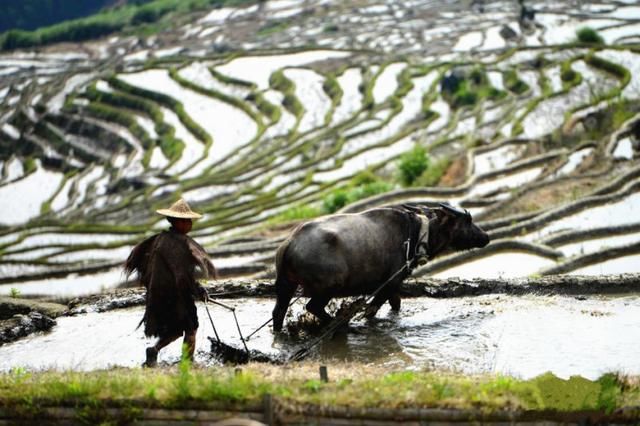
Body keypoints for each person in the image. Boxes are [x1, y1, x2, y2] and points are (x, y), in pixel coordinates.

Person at [125, 198, 216, 367]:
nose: (190, 224)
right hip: (177, 296)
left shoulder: (160, 239)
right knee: (191, 328)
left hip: (161, 294)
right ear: (178, 222)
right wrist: (198, 290)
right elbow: (182, 276)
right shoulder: (178, 245)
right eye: (187, 221)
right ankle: (188, 363)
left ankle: (154, 349)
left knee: (175, 330)